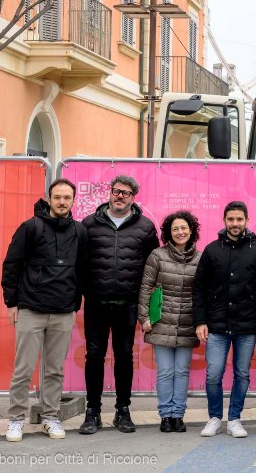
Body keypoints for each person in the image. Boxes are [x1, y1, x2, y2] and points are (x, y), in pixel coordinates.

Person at [1, 178, 87, 442]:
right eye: (58, 197)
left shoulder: (80, 231)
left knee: (54, 370)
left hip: (62, 312)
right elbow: (12, 265)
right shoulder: (30, 227)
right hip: (31, 309)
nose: (62, 202)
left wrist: (74, 305)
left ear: (73, 201)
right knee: (23, 369)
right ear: (49, 199)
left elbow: (82, 270)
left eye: (67, 198)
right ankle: (16, 420)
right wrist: (11, 303)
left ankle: (51, 417)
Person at [78, 175, 159, 435]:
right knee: (94, 357)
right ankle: (93, 412)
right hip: (96, 304)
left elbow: (152, 267)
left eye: (125, 193)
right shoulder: (89, 224)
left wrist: (148, 307)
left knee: (124, 357)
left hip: (127, 305)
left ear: (133, 197)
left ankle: (123, 410)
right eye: (116, 191)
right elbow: (78, 263)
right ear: (110, 193)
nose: (120, 196)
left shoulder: (145, 227)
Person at [193, 201, 256, 438]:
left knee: (242, 373)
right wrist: (200, 321)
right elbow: (199, 288)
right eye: (231, 219)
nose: (235, 224)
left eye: (239, 219)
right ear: (224, 220)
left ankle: (235, 419)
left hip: (248, 325)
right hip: (217, 325)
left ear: (246, 221)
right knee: (213, 373)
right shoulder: (211, 250)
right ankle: (214, 417)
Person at [137, 210, 202, 434]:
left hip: (187, 322)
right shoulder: (157, 255)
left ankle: (178, 415)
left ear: (191, 230)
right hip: (161, 321)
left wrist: (203, 321)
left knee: (182, 371)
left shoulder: (200, 258)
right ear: (168, 232)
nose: (180, 232)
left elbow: (204, 292)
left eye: (184, 228)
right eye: (175, 229)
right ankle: (165, 415)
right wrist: (144, 317)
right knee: (165, 371)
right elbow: (146, 287)